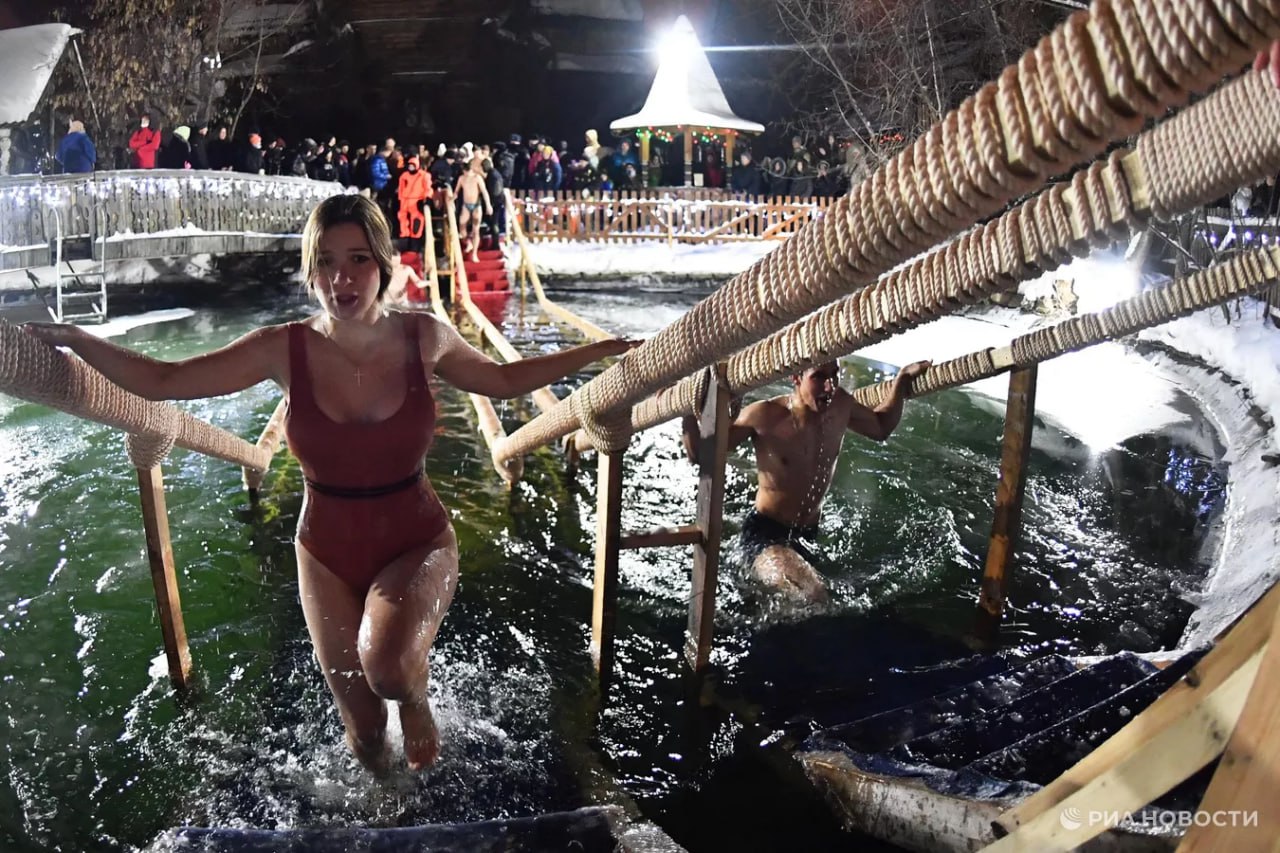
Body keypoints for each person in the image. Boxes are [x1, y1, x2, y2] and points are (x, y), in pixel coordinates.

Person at [23, 194, 636, 773]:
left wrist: (597, 352)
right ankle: (390, 805)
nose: (342, 279)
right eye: (326, 262)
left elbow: (502, 381)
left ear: (384, 264)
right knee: (364, 734)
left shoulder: (424, 337)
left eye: (358, 260)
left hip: (416, 540)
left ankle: (415, 697)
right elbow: (165, 382)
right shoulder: (282, 349)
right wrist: (79, 341)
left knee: (389, 669)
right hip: (324, 553)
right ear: (310, 272)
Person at [683, 359, 930, 603]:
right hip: (765, 535)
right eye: (819, 377)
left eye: (834, 375)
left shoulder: (841, 405)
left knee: (799, 601)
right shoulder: (765, 415)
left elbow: (880, 427)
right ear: (796, 377)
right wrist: (686, 404)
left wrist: (901, 380)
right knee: (812, 595)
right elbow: (701, 455)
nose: (830, 386)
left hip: (808, 536)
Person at [454, 155, 492, 261]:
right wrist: (452, 198)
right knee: (462, 226)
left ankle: (474, 253)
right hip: (466, 205)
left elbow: (484, 192)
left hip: (476, 205)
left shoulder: (477, 178)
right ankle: (468, 242)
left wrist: (488, 205)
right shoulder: (462, 178)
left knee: (476, 230)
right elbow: (456, 191)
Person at [396, 154, 432, 239]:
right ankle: (404, 235)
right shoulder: (404, 176)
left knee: (417, 219)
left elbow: (428, 188)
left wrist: (427, 198)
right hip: (405, 200)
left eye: (413, 166)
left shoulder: (424, 175)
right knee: (402, 217)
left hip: (417, 200)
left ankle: (415, 237)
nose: (411, 167)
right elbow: (401, 188)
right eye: (410, 166)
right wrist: (400, 198)